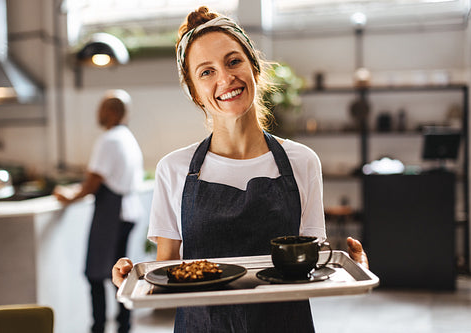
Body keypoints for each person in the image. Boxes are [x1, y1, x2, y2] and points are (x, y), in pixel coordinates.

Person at [112, 6, 368, 332]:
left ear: (254, 68)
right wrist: (129, 281)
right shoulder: (174, 169)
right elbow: (164, 276)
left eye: (233, 61)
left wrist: (349, 270)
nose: (225, 78)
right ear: (195, 92)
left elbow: (311, 265)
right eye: (206, 72)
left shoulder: (301, 161)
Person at [54, 89, 144, 333]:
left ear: (113, 112)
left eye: (102, 108)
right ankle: (124, 327)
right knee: (121, 275)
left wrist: (69, 196)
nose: (98, 113)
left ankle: (98, 328)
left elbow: (93, 182)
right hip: (127, 213)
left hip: (111, 215)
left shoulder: (109, 139)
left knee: (95, 275)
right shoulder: (127, 137)